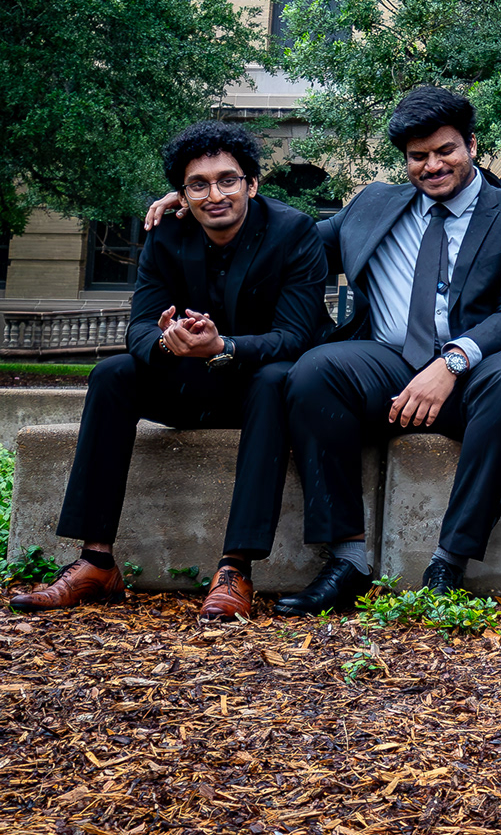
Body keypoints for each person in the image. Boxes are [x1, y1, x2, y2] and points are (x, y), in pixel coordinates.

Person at [10, 122, 328, 622]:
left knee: (274, 379)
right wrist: (167, 340)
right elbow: (138, 326)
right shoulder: (167, 234)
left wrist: (224, 344)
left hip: (258, 385)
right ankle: (95, 561)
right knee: (113, 373)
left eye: (227, 180)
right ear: (182, 193)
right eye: (198, 184)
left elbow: (297, 335)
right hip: (188, 382)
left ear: (252, 184)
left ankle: (235, 569)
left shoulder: (293, 232)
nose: (214, 193)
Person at [272, 86, 501, 616]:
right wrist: (205, 205)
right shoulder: (372, 204)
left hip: (482, 371)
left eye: (444, 150)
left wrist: (452, 362)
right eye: (418, 156)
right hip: (388, 364)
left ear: (472, 145)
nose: (432, 166)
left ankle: (449, 561)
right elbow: (288, 242)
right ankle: (347, 562)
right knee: (315, 371)